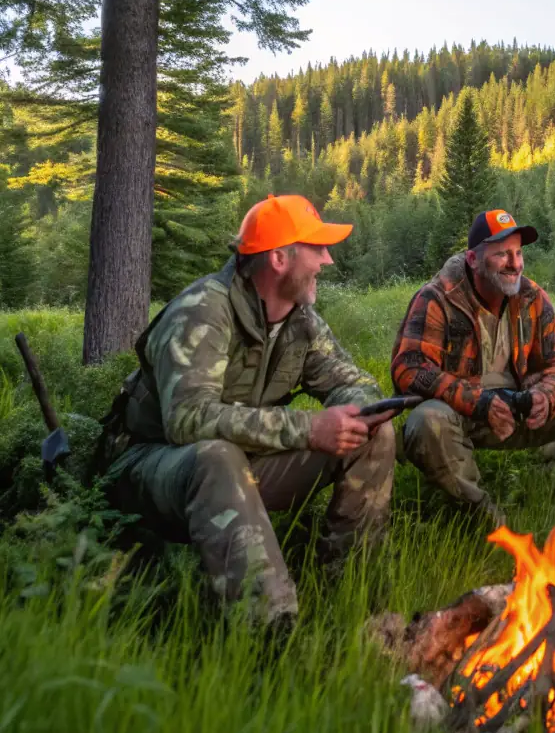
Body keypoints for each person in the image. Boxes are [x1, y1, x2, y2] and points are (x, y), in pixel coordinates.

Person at [102, 195, 396, 624]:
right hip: (151, 466)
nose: (327, 261)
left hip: (241, 461)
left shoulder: (300, 320)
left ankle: (353, 596)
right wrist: (308, 428)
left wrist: (360, 412)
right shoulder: (204, 310)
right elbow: (187, 420)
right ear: (279, 258)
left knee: (373, 435)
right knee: (217, 455)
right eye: (317, 249)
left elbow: (352, 381)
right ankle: (268, 630)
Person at [391, 209, 555, 522]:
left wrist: (546, 395)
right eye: (502, 254)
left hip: (519, 408)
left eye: (518, 253)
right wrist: (478, 402)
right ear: (473, 260)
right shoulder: (438, 298)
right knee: (427, 422)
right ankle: (485, 521)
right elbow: (408, 367)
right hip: (463, 414)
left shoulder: (532, 296)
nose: (515, 264)